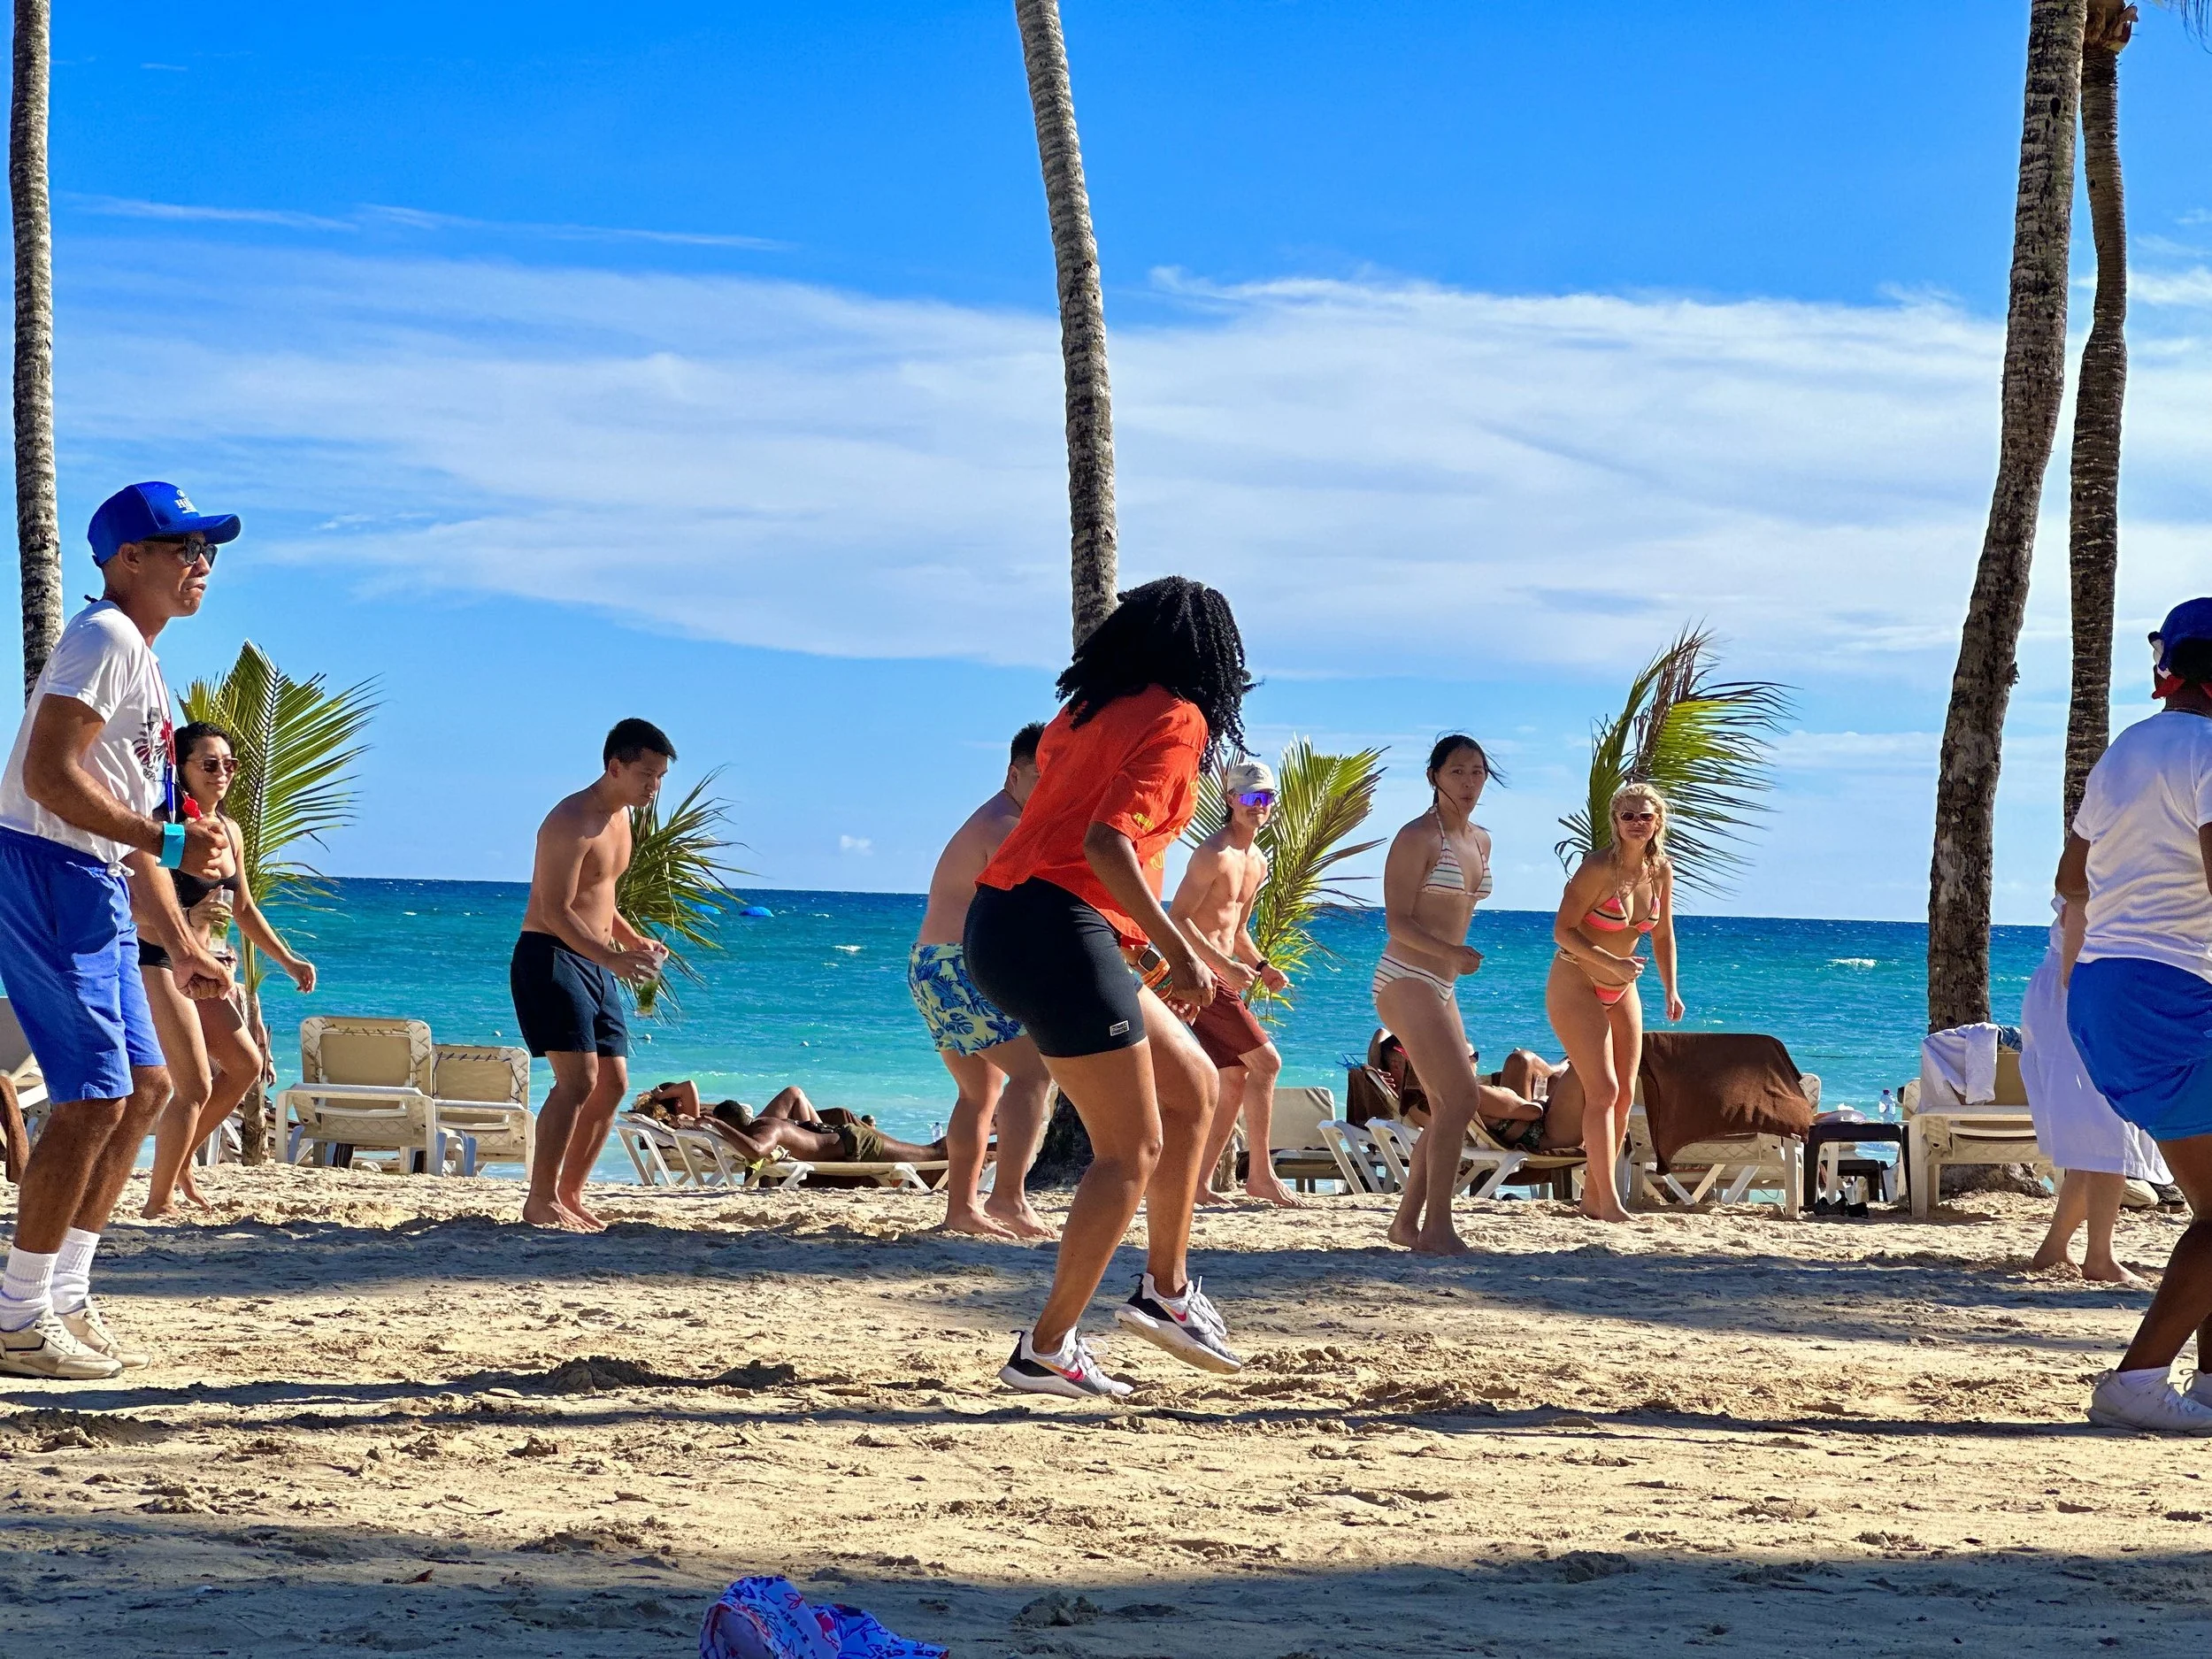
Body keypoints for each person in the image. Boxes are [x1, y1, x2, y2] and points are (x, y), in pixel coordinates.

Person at [964, 576, 1251, 1397]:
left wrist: (1133, 940)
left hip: (1009, 919)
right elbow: (1103, 843)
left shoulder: (1081, 712)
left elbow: (1072, 836)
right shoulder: (1178, 717)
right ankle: (1047, 1348)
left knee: (1194, 1084)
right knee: (1130, 1149)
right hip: (1057, 926)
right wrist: (1182, 953)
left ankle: (1166, 1291)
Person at [0, 482, 240, 1378]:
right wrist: (169, 836)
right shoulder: (104, 636)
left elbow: (120, 820)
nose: (201, 565)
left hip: (88, 877)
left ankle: (62, 1293)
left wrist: (180, 944)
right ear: (126, 557)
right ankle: (17, 1313)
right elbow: (50, 776)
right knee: (95, 1098)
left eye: (206, 550)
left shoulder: (140, 657)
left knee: (144, 1090)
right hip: (45, 868)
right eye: (182, 548)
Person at [2059, 598, 2212, 1432]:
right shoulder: (2211, 753)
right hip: (2170, 998)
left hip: (2105, 992)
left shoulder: (2126, 750)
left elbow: (2071, 873)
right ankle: (2137, 1380)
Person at [138, 722, 318, 1217]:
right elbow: (135, 904)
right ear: (182, 769)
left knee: (245, 1065)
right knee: (192, 1085)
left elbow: (242, 908)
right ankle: (159, 1201)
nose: (222, 773)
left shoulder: (229, 831)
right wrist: (187, 922)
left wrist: (288, 960)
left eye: (229, 765)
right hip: (158, 960)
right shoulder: (165, 827)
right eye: (209, 764)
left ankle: (179, 1162)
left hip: (209, 967)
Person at [512, 718, 674, 1233]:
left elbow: (599, 893)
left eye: (661, 777)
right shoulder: (569, 821)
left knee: (614, 1082)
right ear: (615, 766)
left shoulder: (621, 819)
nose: (654, 787)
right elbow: (555, 909)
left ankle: (569, 1193)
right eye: (647, 775)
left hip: (596, 958)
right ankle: (539, 1200)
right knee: (577, 1080)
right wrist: (612, 959)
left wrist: (628, 940)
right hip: (551, 957)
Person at [1371, 735, 1521, 1254]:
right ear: (1434, 776)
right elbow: (1396, 920)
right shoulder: (1417, 837)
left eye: (1478, 772)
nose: (1469, 781)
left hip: (1443, 984)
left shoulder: (1481, 840)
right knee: (1460, 1098)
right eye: (1457, 771)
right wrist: (1450, 953)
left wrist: (1454, 962)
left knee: (1447, 1105)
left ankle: (1407, 1225)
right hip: (1405, 976)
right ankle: (1438, 1227)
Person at [909, 723, 1057, 1240]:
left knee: (981, 1093)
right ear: (1014, 772)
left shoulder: (1004, 817)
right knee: (1035, 1073)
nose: (1051, 785)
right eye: (1042, 776)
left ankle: (962, 1208)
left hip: (933, 964)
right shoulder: (1006, 827)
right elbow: (1040, 908)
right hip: (956, 965)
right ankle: (1008, 1199)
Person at [1548, 780, 1684, 1223]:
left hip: (1624, 986)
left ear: (1657, 820)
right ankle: (1608, 1202)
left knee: (1624, 1095)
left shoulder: (1660, 870)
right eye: (1628, 816)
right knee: (1602, 1090)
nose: (1637, 823)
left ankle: (1593, 1197)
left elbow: (1662, 934)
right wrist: (1610, 961)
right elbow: (1563, 930)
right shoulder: (1596, 868)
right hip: (1576, 980)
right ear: (1615, 821)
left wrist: (1670, 988)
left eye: (1645, 816)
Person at [2021, 895, 2170, 1286]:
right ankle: (2099, 1258)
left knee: (2095, 1135)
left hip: (2075, 987)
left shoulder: (2103, 852)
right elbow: (2078, 918)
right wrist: (2085, 996)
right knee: (2109, 1131)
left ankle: (2054, 1249)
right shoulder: (2101, 859)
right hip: (2081, 989)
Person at [1171, 758, 1294, 1206]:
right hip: (1199, 975)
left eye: (1264, 798)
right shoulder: (1213, 854)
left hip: (1224, 971)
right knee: (1268, 1064)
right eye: (1248, 798)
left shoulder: (1256, 860)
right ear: (1230, 800)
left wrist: (1262, 967)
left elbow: (1237, 930)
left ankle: (1199, 1183)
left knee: (1236, 1076)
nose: (1256, 806)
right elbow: (1177, 918)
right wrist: (1222, 965)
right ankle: (1260, 1175)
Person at [633, 1079, 947, 1171]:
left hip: (848, 1143)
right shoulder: (686, 1113)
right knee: (933, 1152)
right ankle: (987, 1141)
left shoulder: (689, 1125)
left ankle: (988, 1142)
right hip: (850, 1144)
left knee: (931, 1152)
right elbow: (756, 1152)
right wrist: (665, 1094)